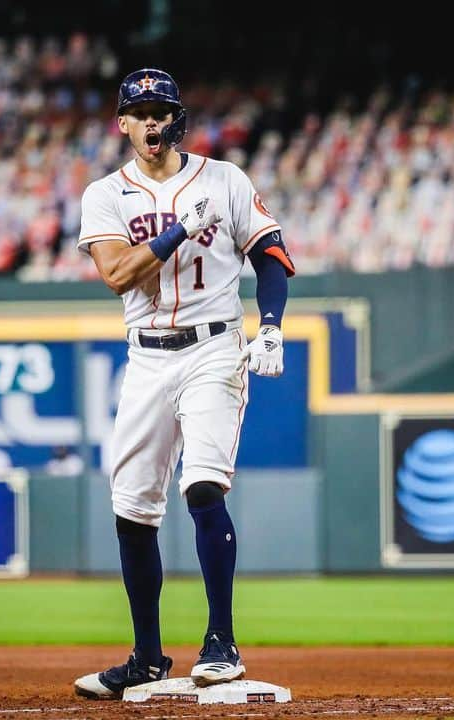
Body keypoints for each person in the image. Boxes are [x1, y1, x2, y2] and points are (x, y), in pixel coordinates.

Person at [72, 68, 294, 699]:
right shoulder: (105, 195)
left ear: (176, 118)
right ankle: (146, 656)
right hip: (145, 356)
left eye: (160, 110)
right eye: (138, 112)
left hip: (215, 347)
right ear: (121, 123)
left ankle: (221, 643)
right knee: (133, 509)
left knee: (202, 485)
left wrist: (271, 327)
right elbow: (117, 275)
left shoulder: (224, 179)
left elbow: (271, 255)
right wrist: (177, 230)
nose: (150, 121)